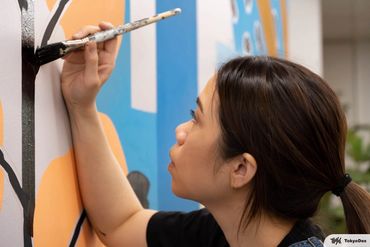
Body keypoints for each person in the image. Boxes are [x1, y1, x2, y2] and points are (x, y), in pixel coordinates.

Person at [61, 23, 370, 247]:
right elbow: (120, 224)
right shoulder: (225, 231)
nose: (180, 131)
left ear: (240, 169)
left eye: (196, 119)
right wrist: (81, 104)